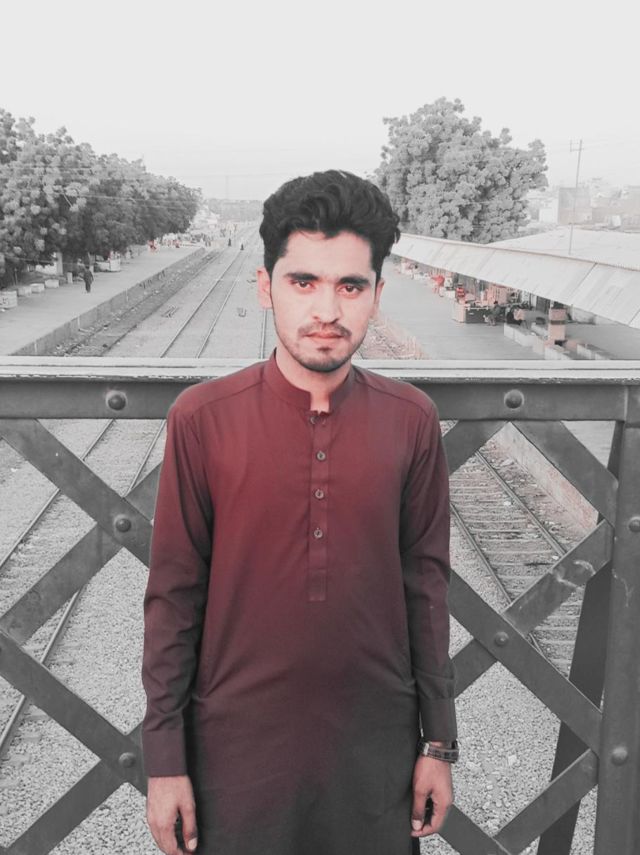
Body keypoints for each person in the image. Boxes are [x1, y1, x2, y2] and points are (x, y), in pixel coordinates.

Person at [142, 170, 458, 855]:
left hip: (376, 757)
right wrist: (165, 760)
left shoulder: (411, 421)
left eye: (351, 286)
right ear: (266, 287)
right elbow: (173, 598)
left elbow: (427, 590)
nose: (327, 309)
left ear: (377, 294)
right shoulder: (202, 419)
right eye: (303, 281)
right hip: (234, 758)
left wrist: (438, 743)